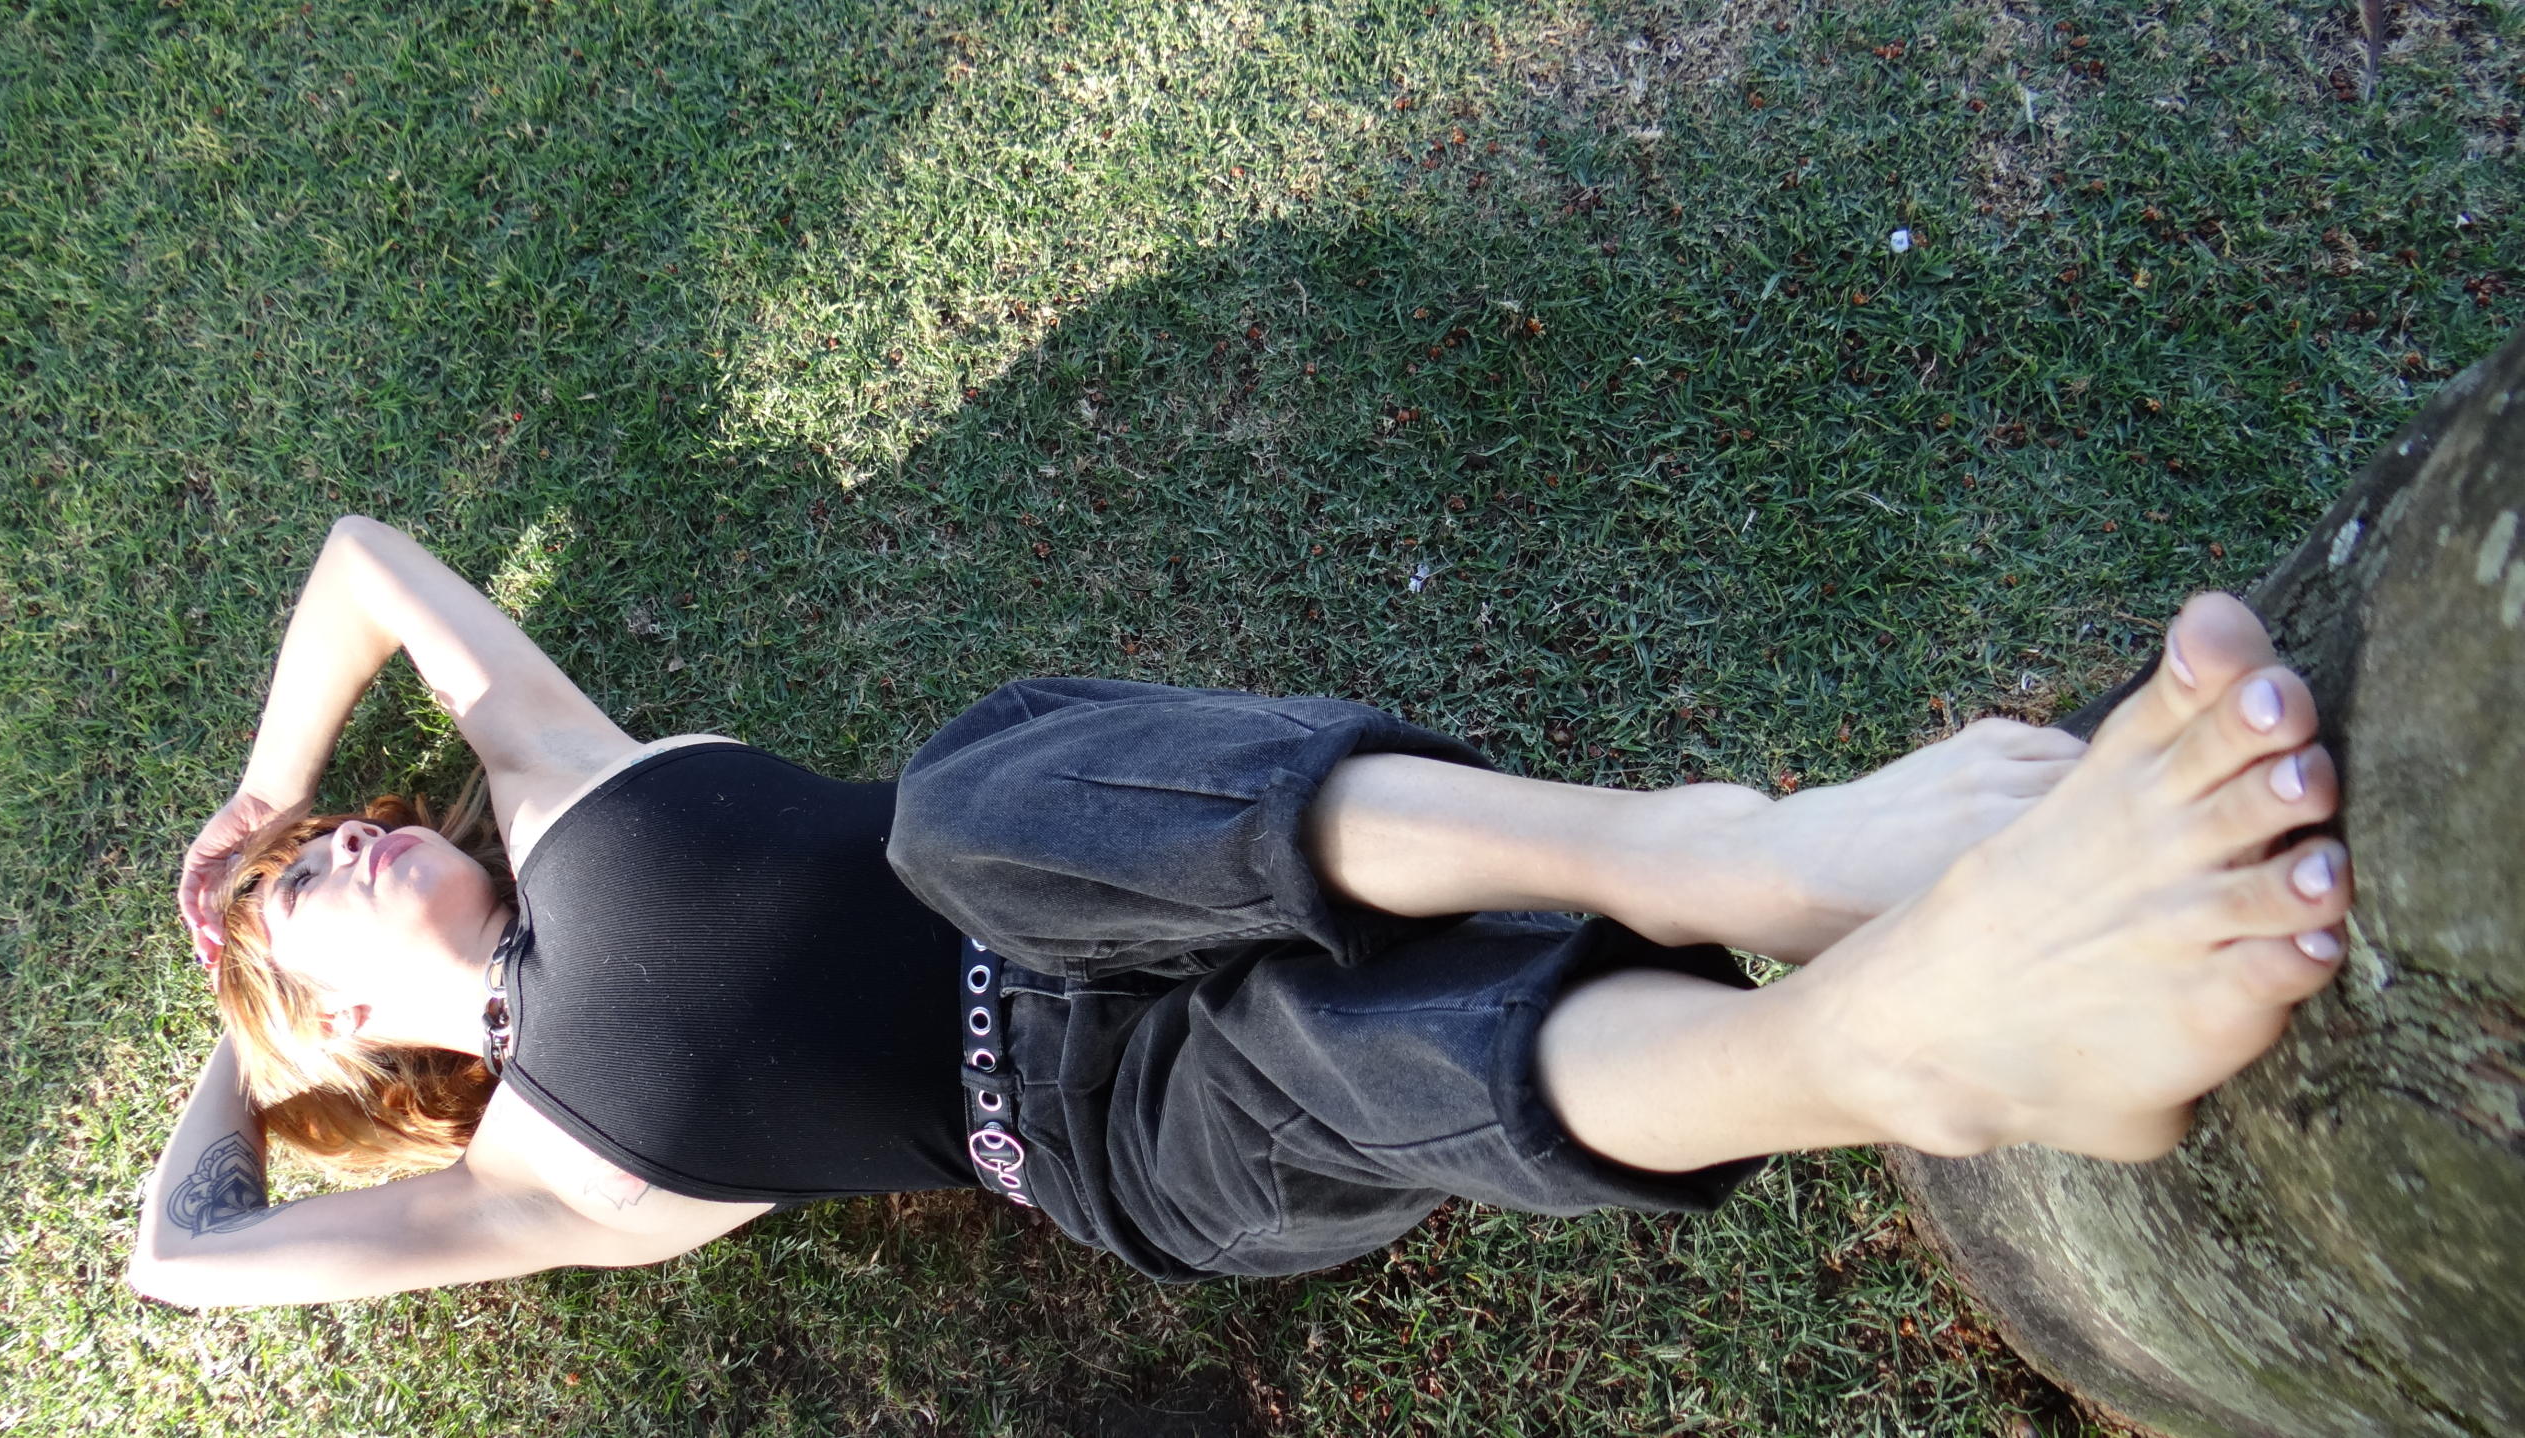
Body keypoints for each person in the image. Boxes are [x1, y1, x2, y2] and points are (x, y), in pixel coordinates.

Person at [129, 515, 2354, 1306]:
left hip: (1081, 862)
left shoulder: (565, 780)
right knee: (1310, 1067)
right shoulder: (531, 1174)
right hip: (1103, 1129)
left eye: (341, 831)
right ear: (352, 1038)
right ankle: (1869, 1049)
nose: (339, 855)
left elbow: (364, 560)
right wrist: (255, 1019)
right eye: (308, 903)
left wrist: (261, 805)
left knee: (976, 791)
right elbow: (181, 1251)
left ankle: (1743, 858)